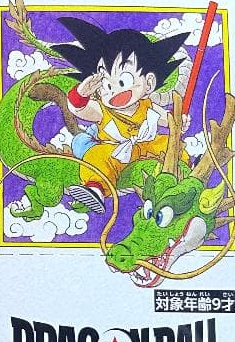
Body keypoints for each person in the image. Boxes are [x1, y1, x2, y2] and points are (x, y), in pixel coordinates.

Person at [52, 18, 189, 213]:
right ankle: (95, 189)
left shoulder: (148, 106)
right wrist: (81, 93)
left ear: (149, 83)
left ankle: (184, 173)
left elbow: (168, 121)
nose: (114, 90)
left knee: (170, 144)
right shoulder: (102, 110)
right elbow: (78, 109)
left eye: (123, 81)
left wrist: (178, 123)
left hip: (147, 146)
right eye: (107, 85)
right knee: (97, 155)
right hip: (114, 151)